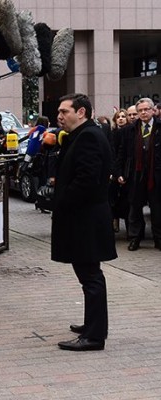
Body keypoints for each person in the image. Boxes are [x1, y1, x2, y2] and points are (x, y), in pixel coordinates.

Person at [52, 93, 116, 351]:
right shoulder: (83, 134)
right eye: (58, 111)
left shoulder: (89, 136)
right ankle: (94, 325)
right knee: (89, 276)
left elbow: (86, 180)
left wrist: (61, 199)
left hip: (86, 219)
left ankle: (94, 336)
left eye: (64, 111)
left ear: (81, 112)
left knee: (91, 277)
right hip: (85, 217)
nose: (59, 116)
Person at [115, 97, 161, 251]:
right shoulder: (130, 129)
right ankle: (135, 238)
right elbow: (122, 153)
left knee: (157, 209)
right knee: (134, 208)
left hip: (156, 176)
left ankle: (158, 239)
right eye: (140, 110)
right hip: (135, 175)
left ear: (153, 111)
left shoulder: (159, 127)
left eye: (146, 109)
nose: (143, 113)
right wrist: (120, 172)